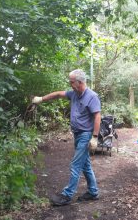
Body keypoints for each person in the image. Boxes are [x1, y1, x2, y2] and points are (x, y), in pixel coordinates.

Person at [31, 69, 101, 206]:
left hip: (85, 135)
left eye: (71, 82)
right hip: (77, 134)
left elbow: (97, 116)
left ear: (80, 82)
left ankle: (67, 195)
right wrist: (41, 99)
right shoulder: (74, 94)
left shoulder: (92, 96)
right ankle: (93, 192)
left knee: (75, 165)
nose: (70, 84)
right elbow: (57, 94)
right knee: (85, 165)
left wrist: (94, 137)